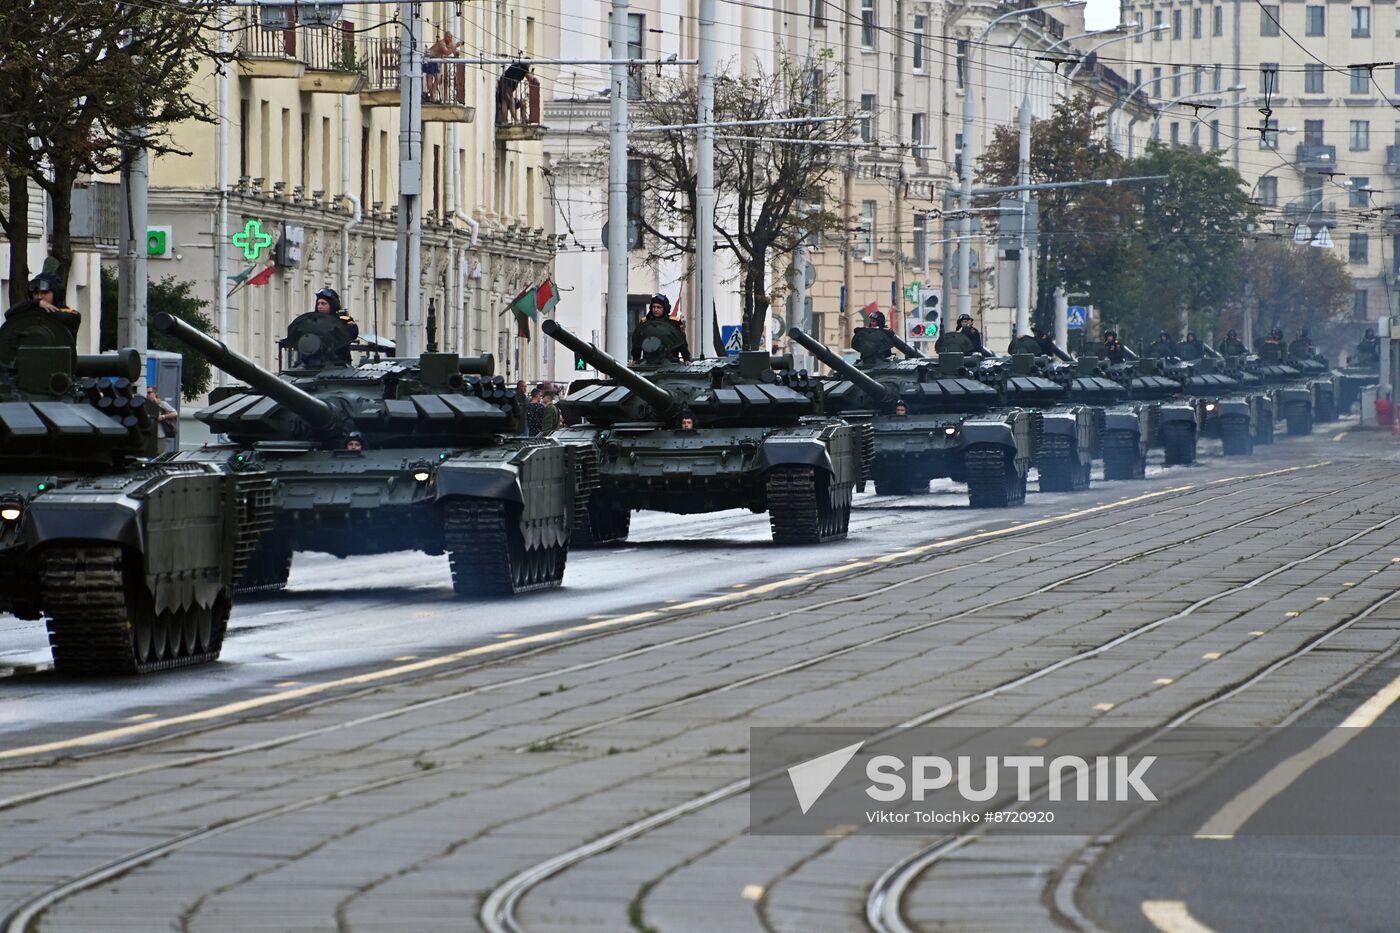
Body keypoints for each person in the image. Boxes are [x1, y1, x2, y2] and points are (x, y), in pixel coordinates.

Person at [5, 272, 81, 335]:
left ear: (56, 293)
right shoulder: (32, 307)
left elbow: (66, 318)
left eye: (44, 292)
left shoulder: (71, 314)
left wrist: (35, 308)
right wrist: (35, 303)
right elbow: (9, 314)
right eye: (36, 293)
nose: (39, 296)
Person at [630, 294, 691, 362]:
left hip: (670, 360)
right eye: (654, 307)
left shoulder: (673, 322)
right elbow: (638, 339)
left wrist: (686, 358)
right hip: (648, 361)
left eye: (659, 307)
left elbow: (681, 341)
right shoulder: (645, 322)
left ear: (664, 308)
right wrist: (635, 358)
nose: (655, 310)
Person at [312, 287, 358, 364]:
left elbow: (352, 334)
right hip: (316, 363)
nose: (319, 306)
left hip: (340, 363)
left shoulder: (343, 320)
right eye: (318, 303)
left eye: (323, 303)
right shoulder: (312, 321)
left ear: (332, 304)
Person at [425, 30, 462, 102]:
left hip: (436, 61)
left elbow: (455, 51)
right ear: (445, 37)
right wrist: (455, 46)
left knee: (437, 78)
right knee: (430, 78)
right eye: (448, 37)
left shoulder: (450, 43)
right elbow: (447, 52)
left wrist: (457, 52)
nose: (450, 39)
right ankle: (432, 96)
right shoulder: (442, 43)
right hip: (430, 58)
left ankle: (432, 95)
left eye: (451, 37)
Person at [145, 386, 179, 453]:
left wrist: (163, 416)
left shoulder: (161, 404)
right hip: (148, 435)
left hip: (159, 436)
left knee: (158, 455)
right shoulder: (144, 405)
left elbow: (175, 413)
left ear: (155, 394)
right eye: (146, 393)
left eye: (149, 393)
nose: (147, 395)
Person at [497, 61, 530, 125]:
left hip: (505, 84)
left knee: (521, 103)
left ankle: (522, 120)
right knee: (509, 102)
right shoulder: (524, 66)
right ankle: (512, 121)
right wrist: (533, 77)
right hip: (506, 84)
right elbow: (530, 78)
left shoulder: (518, 65)